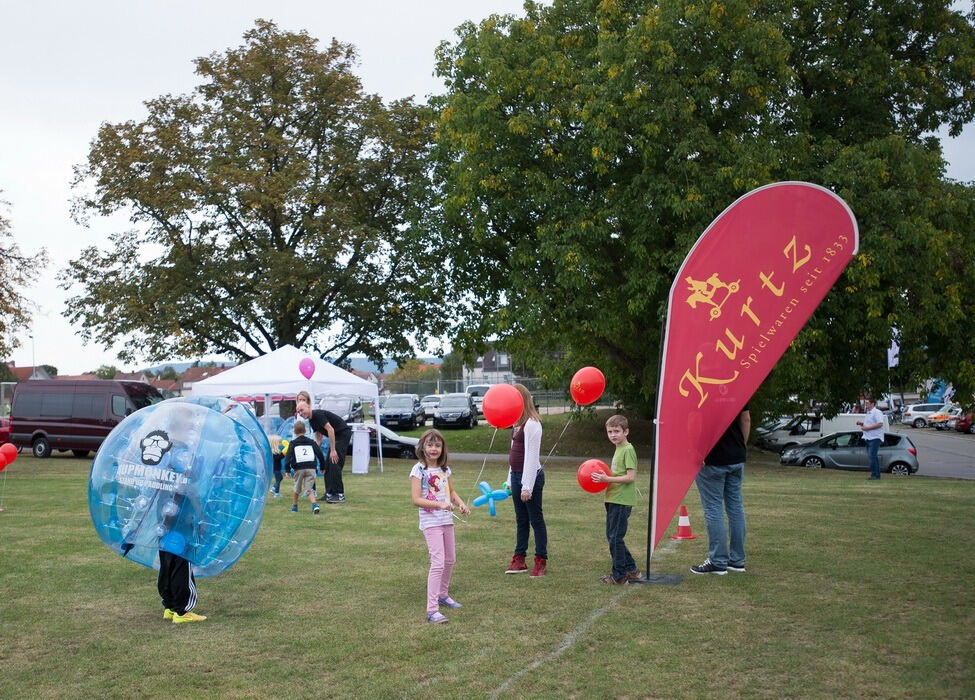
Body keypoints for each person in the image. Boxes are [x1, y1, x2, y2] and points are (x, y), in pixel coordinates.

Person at [409, 429, 470, 623]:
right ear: (422, 447)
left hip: (446, 520)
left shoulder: (445, 469)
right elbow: (416, 499)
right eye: (429, 444)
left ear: (442, 448)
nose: (433, 449)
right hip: (431, 522)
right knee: (438, 563)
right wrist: (439, 504)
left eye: (437, 445)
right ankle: (432, 609)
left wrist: (460, 503)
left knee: (450, 559)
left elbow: (451, 491)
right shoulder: (418, 470)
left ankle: (443, 595)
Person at [691, 405, 750, 575]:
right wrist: (741, 446)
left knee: (713, 508)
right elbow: (745, 419)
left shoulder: (702, 387)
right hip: (736, 457)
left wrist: (696, 450)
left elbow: (695, 421)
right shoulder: (737, 385)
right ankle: (737, 560)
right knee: (735, 507)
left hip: (711, 459)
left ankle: (718, 561)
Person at [504, 384, 548, 577]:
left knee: (535, 520)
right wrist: (509, 480)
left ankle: (540, 560)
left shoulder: (532, 424)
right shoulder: (516, 423)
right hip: (516, 476)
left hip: (531, 477)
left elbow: (531, 458)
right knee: (521, 520)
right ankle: (519, 559)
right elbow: (513, 455)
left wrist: (527, 486)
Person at [591, 414, 641, 584]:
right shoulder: (618, 448)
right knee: (612, 536)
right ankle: (632, 569)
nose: (613, 435)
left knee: (615, 538)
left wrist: (607, 479)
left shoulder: (628, 450)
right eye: (610, 431)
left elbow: (630, 477)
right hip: (613, 498)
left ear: (626, 432)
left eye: (617, 431)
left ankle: (619, 576)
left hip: (622, 500)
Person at [296, 390, 352, 503]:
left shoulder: (317, 414)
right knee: (327, 465)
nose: (301, 413)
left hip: (342, 434)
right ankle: (329, 493)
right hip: (336, 436)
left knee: (334, 462)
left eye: (302, 410)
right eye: (299, 412)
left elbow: (330, 429)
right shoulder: (312, 420)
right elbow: (318, 435)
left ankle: (339, 494)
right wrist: (316, 448)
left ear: (308, 406)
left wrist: (332, 450)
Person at [286, 420, 327, 515]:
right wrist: (322, 466)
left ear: (294, 432)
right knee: (309, 489)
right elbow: (320, 454)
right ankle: (315, 505)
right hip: (311, 468)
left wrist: (287, 470)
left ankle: (294, 506)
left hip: (299, 468)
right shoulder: (311, 442)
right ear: (305, 431)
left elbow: (288, 457)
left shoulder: (293, 443)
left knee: (297, 488)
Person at [857, 397, 885, 480]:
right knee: (872, 457)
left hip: (875, 438)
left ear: (872, 404)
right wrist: (862, 423)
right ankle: (875, 475)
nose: (866, 405)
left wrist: (867, 428)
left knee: (872, 456)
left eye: (867, 403)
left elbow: (880, 424)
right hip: (868, 438)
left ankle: (876, 475)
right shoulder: (868, 413)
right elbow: (869, 423)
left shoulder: (877, 412)